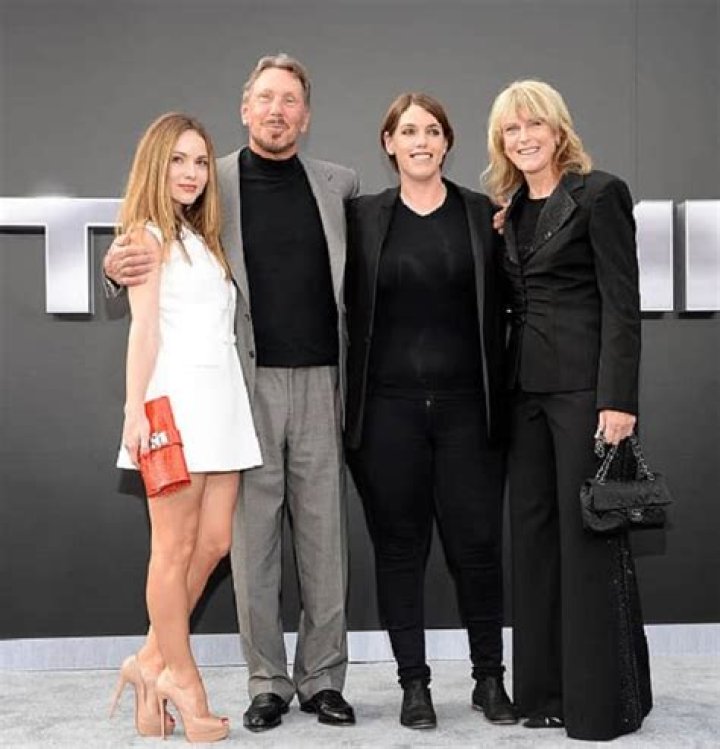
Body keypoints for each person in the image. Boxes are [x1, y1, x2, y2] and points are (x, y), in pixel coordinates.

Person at [104, 54, 359, 732]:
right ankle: (266, 681)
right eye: (265, 97)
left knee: (319, 540)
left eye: (290, 100)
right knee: (246, 546)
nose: (277, 110)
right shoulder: (209, 181)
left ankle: (323, 678)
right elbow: (143, 249)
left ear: (306, 114)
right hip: (243, 386)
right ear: (245, 108)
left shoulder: (339, 184)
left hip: (318, 381)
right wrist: (114, 266)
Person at [483, 79, 652, 741]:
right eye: (511, 129)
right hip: (523, 395)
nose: (523, 137)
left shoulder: (600, 194)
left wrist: (618, 399)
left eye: (534, 125)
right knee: (532, 543)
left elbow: (622, 304)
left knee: (587, 542)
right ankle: (544, 694)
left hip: (584, 393)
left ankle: (600, 704)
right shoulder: (510, 211)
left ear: (558, 130)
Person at [344, 93, 516, 730]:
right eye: (408, 130)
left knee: (478, 547)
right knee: (399, 549)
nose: (421, 141)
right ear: (388, 143)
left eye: (433, 131)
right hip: (385, 414)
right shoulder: (361, 217)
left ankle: (490, 680)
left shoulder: (484, 215)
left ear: (448, 143)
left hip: (469, 410)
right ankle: (413, 684)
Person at [110, 112, 262, 743]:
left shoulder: (202, 237)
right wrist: (134, 410)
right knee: (171, 550)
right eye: (178, 160)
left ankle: (149, 663)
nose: (192, 173)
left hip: (222, 402)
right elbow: (144, 331)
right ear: (155, 164)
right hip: (173, 406)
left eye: (200, 161)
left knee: (216, 542)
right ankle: (183, 679)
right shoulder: (144, 239)